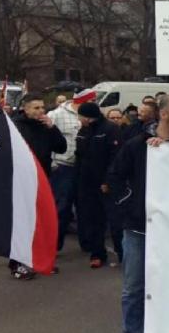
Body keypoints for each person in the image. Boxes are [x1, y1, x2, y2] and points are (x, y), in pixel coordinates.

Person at [107, 96, 169, 333]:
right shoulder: (137, 146)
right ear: (164, 115)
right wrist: (129, 205)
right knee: (134, 287)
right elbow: (115, 178)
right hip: (139, 228)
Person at [10, 93, 67, 279]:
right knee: (21, 223)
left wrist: (52, 128)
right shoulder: (16, 126)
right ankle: (17, 263)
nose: (41, 111)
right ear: (25, 109)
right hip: (21, 181)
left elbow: (61, 148)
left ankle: (39, 260)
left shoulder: (45, 127)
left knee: (40, 221)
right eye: (36, 108)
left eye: (42, 107)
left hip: (42, 179)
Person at [48, 88, 96, 252]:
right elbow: (48, 138)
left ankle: (87, 243)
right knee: (62, 208)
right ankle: (54, 245)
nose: (95, 103)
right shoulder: (57, 114)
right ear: (83, 101)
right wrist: (52, 163)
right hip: (63, 167)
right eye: (92, 100)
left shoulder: (92, 115)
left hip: (83, 167)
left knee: (85, 207)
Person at [75, 102, 122, 268]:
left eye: (80, 115)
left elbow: (115, 158)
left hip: (106, 183)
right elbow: (79, 156)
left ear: (87, 116)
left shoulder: (110, 130)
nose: (78, 118)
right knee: (93, 219)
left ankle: (122, 253)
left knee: (115, 220)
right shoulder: (83, 131)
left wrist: (107, 181)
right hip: (87, 183)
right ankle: (97, 254)